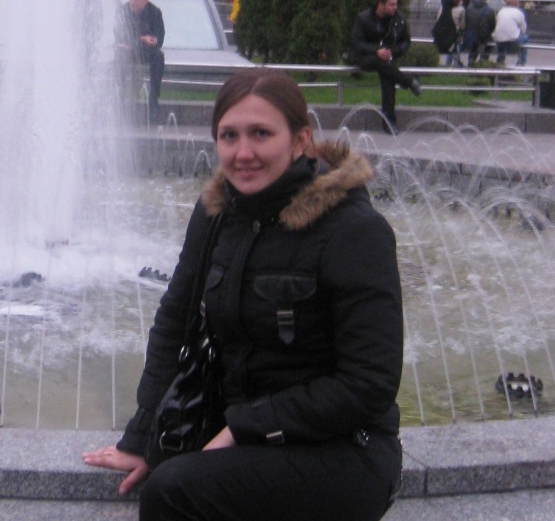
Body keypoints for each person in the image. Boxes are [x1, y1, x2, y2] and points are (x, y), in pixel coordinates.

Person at [84, 69, 404, 521]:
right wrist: (142, 437)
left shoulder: (353, 231)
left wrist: (245, 426)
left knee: (172, 492)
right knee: (170, 471)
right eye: (229, 136)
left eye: (261, 134)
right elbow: (174, 320)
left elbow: (369, 384)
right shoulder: (216, 214)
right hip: (241, 430)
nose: (243, 153)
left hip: (343, 448)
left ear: (300, 140)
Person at [351, 0, 421, 136]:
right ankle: (407, 81)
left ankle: (389, 122)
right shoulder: (364, 18)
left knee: (388, 78)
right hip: (367, 57)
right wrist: (376, 50)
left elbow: (406, 41)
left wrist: (393, 52)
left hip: (388, 59)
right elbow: (357, 43)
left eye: (396, 4)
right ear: (381, 4)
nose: (395, 7)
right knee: (383, 64)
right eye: (392, 4)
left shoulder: (399, 19)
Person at [116, 0, 166, 122]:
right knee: (120, 58)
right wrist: (141, 39)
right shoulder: (122, 12)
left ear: (146, 0)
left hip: (146, 51)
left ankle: (153, 100)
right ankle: (119, 99)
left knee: (159, 57)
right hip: (128, 51)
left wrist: (152, 41)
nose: (133, 2)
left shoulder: (155, 12)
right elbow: (120, 37)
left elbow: (159, 38)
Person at [464, 0, 496, 66]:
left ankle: (471, 62)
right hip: (484, 36)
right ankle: (483, 62)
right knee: (489, 45)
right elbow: (493, 25)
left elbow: (466, 21)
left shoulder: (469, 8)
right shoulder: (490, 10)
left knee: (473, 49)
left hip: (471, 35)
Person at [492, 0, 529, 66]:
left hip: (498, 38)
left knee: (502, 42)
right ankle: (521, 62)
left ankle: (500, 61)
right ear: (517, 5)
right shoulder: (519, 12)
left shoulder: (501, 11)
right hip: (513, 40)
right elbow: (523, 29)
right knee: (525, 38)